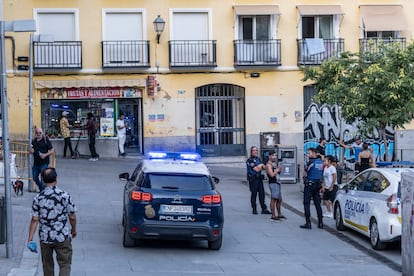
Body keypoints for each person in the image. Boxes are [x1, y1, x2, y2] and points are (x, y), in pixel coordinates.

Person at [27, 167, 77, 276]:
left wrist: (30, 239)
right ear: (56, 179)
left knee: (47, 265)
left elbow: (35, 219)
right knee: (64, 264)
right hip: (62, 236)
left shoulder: (38, 198)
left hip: (45, 237)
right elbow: (72, 216)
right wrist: (73, 230)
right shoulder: (65, 196)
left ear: (43, 180)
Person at [300, 147, 324, 229]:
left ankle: (308, 222)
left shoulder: (310, 162)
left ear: (314, 153)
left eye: (309, 153)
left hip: (310, 185)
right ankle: (320, 222)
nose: (308, 155)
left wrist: (304, 178)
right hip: (317, 185)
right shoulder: (321, 162)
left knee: (306, 203)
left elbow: (305, 172)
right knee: (317, 204)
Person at [246, 146, 271, 215]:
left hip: (259, 179)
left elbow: (264, 167)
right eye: (254, 150)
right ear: (251, 152)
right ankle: (254, 209)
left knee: (262, 194)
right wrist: (261, 165)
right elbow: (256, 169)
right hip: (253, 179)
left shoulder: (258, 159)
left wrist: (261, 165)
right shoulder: (249, 160)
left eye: (256, 150)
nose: (255, 151)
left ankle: (264, 208)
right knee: (254, 194)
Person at [266, 151, 286, 220]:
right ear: (269, 156)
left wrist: (279, 170)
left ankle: (279, 214)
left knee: (279, 199)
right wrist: (277, 170)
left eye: (275, 155)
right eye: (273, 155)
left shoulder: (275, 163)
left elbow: (277, 173)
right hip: (273, 183)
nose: (274, 157)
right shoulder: (268, 165)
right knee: (273, 199)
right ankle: (273, 215)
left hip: (277, 182)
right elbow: (271, 175)